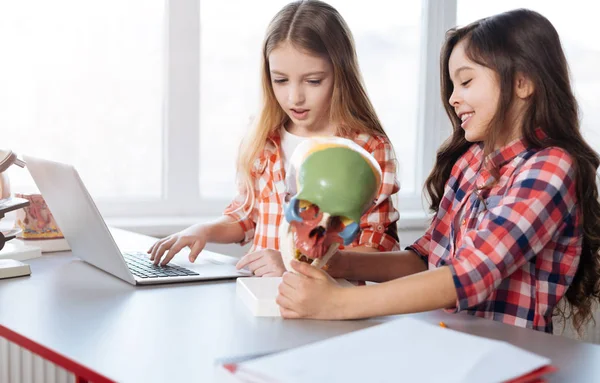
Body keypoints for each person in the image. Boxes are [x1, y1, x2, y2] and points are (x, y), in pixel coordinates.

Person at [277, 8, 600, 334]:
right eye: (452, 85)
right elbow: (428, 259)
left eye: (466, 81)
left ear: (522, 82)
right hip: (449, 343)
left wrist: (337, 304)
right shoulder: (471, 162)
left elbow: (469, 275)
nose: (452, 97)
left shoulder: (551, 168)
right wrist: (340, 263)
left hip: (508, 357)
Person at [148, 0, 400, 277]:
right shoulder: (263, 139)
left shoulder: (368, 148)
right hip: (260, 295)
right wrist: (203, 231)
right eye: (280, 80)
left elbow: (378, 249)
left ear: (341, 74)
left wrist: (292, 264)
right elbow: (246, 216)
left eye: (313, 81)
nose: (295, 97)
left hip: (328, 305)